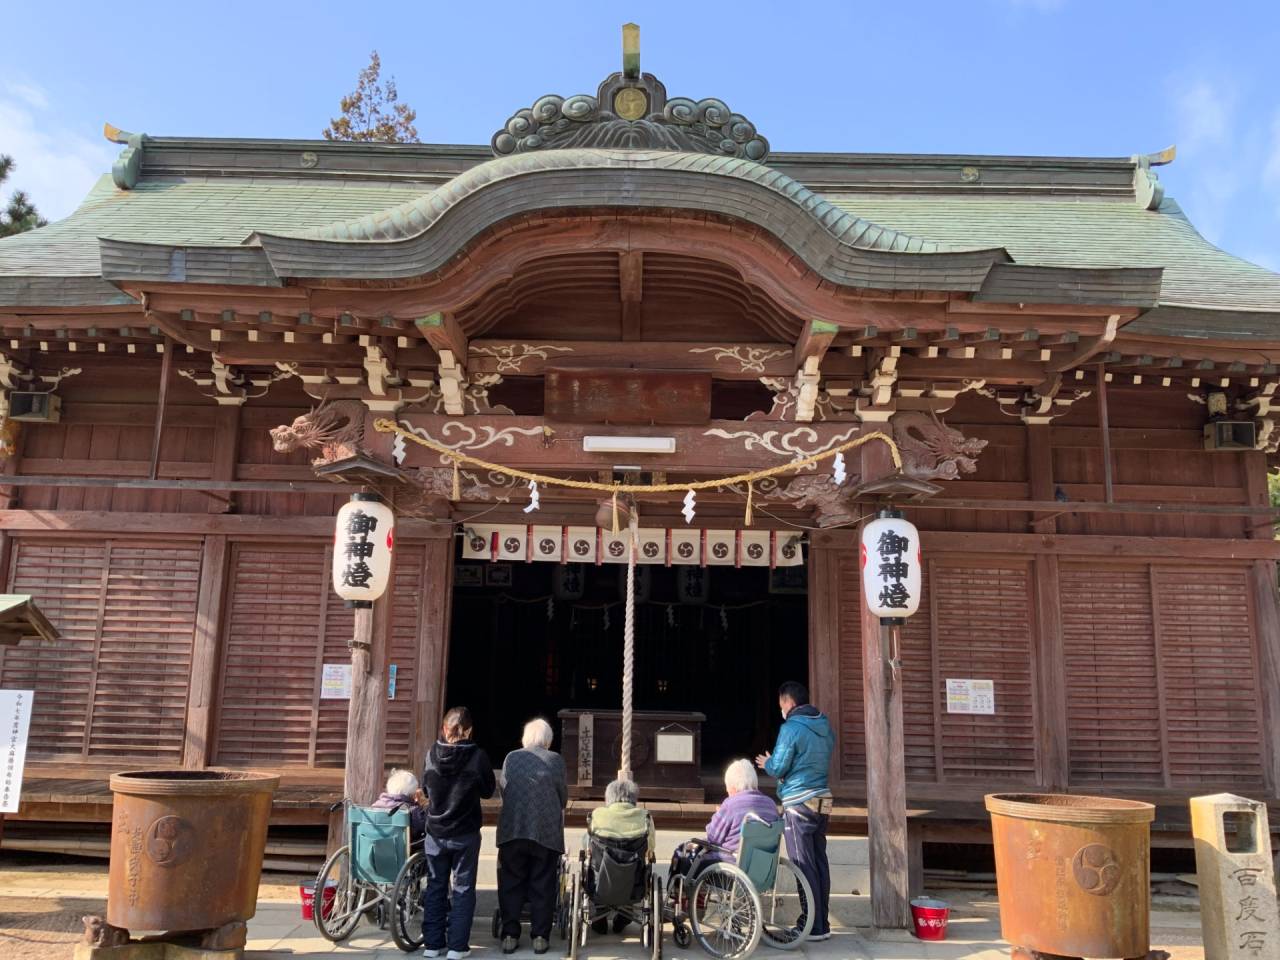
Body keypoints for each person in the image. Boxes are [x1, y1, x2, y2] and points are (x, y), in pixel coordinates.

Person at [756, 681, 834, 942]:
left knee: (803, 865)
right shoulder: (824, 725)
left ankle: (810, 925)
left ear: (788, 703)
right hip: (822, 800)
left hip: (799, 803)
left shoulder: (791, 729)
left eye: (781, 705)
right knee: (820, 863)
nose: (781, 710)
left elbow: (778, 767)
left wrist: (768, 763)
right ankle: (821, 924)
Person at [421, 706, 496, 960]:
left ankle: (432, 944)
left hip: (436, 831)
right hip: (465, 832)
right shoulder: (478, 757)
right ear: (470, 731)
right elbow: (488, 791)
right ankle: (457, 946)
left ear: (444, 728)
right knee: (463, 889)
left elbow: (426, 789)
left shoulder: (431, 753)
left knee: (435, 886)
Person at [496, 718, 567, 956]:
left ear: (526, 738)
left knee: (511, 882)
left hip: (513, 829)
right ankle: (539, 936)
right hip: (544, 832)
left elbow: (504, 790)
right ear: (547, 740)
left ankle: (509, 935)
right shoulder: (555, 760)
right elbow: (563, 797)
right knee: (543, 883)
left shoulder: (511, 758)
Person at [669, 758, 779, 880]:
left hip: (732, 870)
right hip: (762, 870)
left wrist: (719, 814)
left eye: (727, 788)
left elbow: (713, 838)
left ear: (732, 787)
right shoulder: (771, 805)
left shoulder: (731, 805)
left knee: (683, 853)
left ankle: (684, 896)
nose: (727, 791)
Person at [585, 778, 654, 934]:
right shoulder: (645, 817)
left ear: (608, 797)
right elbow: (651, 848)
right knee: (634, 872)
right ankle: (625, 916)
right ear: (634, 797)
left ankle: (600, 917)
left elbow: (587, 845)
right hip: (633, 886)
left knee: (596, 865)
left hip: (600, 884)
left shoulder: (597, 815)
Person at [372, 768, 426, 842]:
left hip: (377, 846)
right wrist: (422, 806)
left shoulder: (376, 805)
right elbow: (424, 828)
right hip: (402, 850)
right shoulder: (413, 811)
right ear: (413, 794)